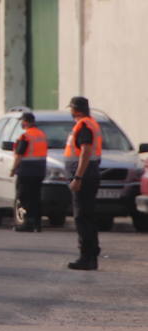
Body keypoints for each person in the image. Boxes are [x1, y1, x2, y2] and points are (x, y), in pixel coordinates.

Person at [65, 96, 102, 270]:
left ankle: (86, 257)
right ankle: (91, 256)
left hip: (84, 177)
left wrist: (78, 178)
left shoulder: (84, 125)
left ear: (75, 109)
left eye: (71, 108)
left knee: (82, 217)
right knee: (87, 216)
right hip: (91, 173)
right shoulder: (91, 123)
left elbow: (85, 151)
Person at [9, 111, 47, 232]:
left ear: (25, 122)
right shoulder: (42, 134)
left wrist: (13, 169)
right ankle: (37, 224)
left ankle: (28, 223)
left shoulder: (25, 136)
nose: (21, 123)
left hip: (26, 171)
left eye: (22, 121)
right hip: (40, 170)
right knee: (36, 197)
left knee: (24, 197)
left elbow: (19, 155)